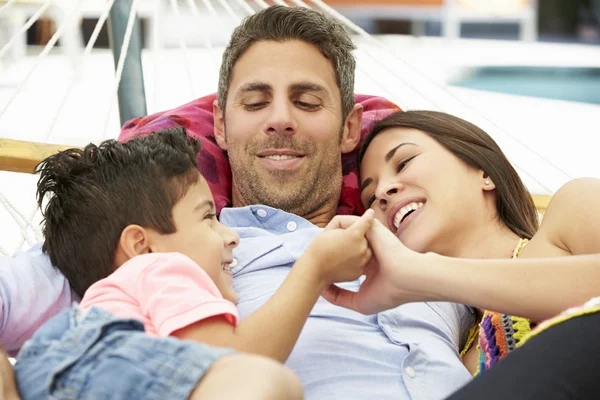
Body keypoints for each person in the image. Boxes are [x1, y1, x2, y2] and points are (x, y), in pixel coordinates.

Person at [1, 6, 476, 400]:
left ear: (350, 128)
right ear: (221, 126)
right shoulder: (178, 242)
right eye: (254, 104)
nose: (281, 120)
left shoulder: (417, 235)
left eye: (308, 102)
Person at [15, 127, 376, 399]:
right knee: (268, 382)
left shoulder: (121, 299)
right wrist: (314, 269)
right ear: (141, 245)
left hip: (52, 372)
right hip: (92, 366)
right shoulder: (162, 268)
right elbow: (234, 357)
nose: (232, 236)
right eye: (208, 217)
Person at [323, 109, 600, 397]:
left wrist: (419, 273)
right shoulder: (451, 359)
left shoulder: (571, 211)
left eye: (404, 162)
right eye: (369, 198)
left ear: (486, 173)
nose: (382, 192)